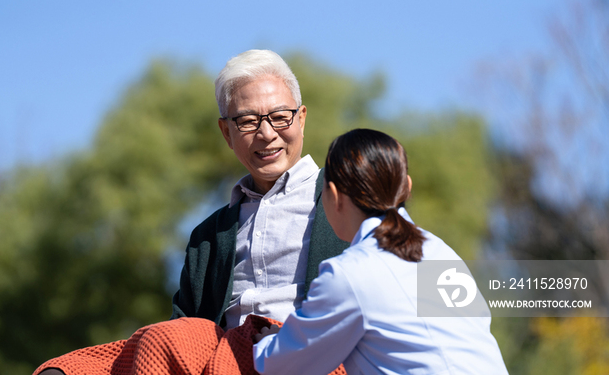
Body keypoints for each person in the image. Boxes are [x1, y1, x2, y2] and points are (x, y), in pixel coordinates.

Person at [35, 50, 349, 375]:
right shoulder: (209, 237)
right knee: (155, 341)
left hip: (311, 352)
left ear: (301, 118)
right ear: (227, 132)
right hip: (225, 359)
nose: (266, 133)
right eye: (247, 121)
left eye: (280, 116)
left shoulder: (348, 197)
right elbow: (185, 331)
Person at [253, 129, 508, 375]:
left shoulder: (350, 273)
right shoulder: (442, 254)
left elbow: (281, 366)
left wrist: (269, 341)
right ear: (406, 187)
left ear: (333, 195)